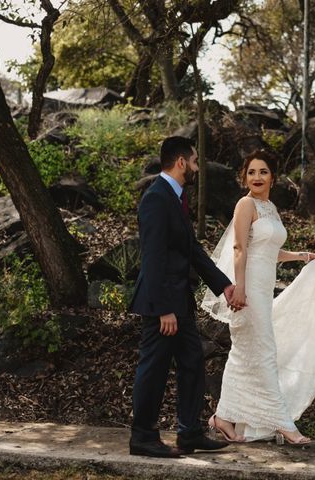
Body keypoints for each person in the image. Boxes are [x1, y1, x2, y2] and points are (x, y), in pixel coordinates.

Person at [201, 149, 315, 445]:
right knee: (263, 352)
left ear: (272, 177)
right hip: (247, 289)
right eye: (251, 172)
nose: (257, 177)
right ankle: (283, 424)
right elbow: (240, 248)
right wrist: (239, 287)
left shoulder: (271, 208)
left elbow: (269, 251)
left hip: (263, 291)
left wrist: (301, 256)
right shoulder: (245, 204)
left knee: (245, 353)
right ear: (245, 178)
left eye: (262, 172)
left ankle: (224, 417)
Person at [129, 136, 238, 457]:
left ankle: (189, 433)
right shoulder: (156, 199)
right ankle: (142, 437)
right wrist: (163, 309)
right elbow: (153, 257)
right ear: (180, 162)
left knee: (192, 363)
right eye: (193, 162)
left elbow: (191, 250)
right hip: (161, 304)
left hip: (180, 302)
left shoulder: (175, 198)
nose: (195, 168)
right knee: (154, 369)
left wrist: (223, 285)